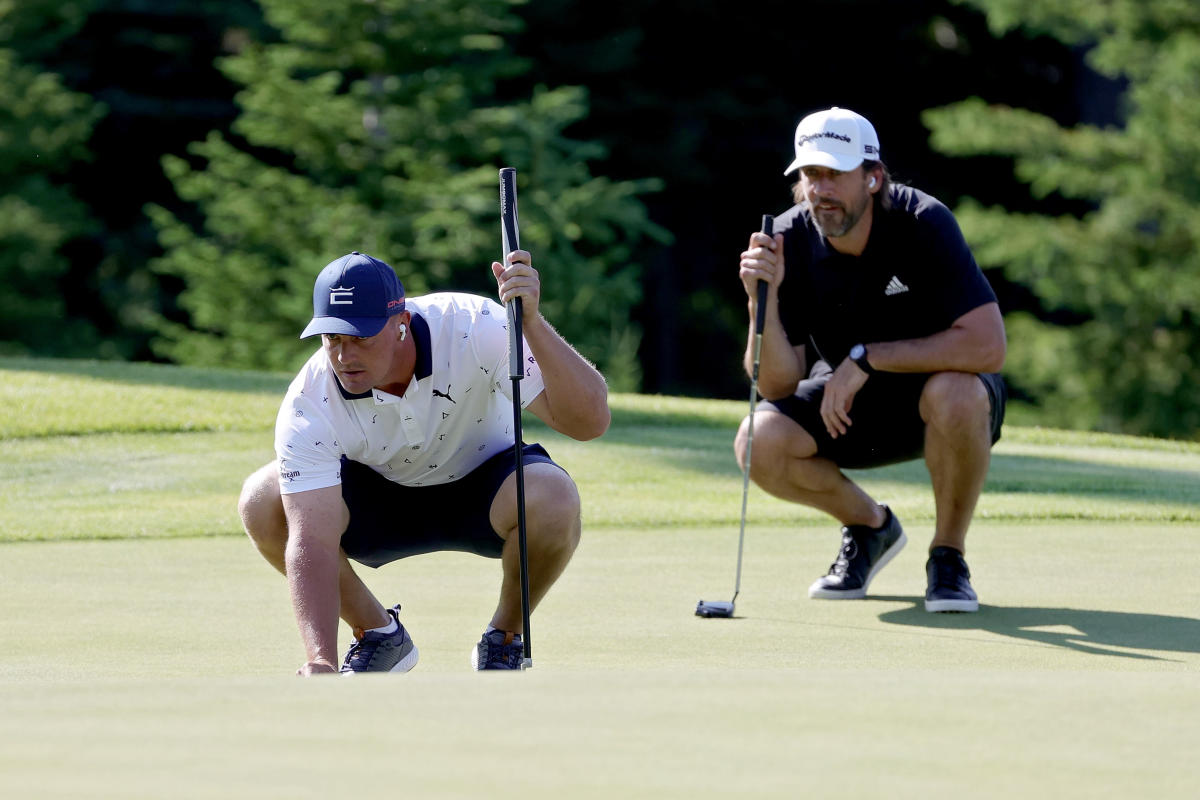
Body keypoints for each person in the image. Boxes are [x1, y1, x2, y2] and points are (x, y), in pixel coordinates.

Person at [238, 249, 610, 674]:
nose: (344, 356)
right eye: (333, 338)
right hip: (377, 498)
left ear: (402, 325)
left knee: (555, 497)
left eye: (361, 337)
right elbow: (312, 540)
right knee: (263, 499)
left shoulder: (477, 327)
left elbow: (589, 422)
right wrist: (319, 659)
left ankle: (503, 639)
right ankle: (377, 635)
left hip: (486, 484)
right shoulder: (311, 398)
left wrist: (530, 325)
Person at [736, 106, 1007, 613]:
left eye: (835, 174)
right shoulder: (789, 241)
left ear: (873, 177)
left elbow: (988, 346)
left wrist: (868, 357)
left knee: (956, 391)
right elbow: (774, 384)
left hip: (941, 402)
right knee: (758, 441)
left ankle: (948, 556)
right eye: (810, 175)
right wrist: (760, 299)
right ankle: (870, 526)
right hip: (848, 407)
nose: (821, 189)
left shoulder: (923, 222)